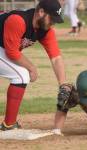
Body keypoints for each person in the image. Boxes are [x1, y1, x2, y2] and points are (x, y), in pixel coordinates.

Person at [0, 0, 66, 131]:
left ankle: (9, 124)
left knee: (21, 75)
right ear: (41, 12)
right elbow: (12, 52)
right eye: (51, 18)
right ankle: (9, 125)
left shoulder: (45, 31)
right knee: (22, 75)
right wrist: (32, 67)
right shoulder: (18, 20)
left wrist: (63, 85)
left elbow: (56, 58)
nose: (53, 23)